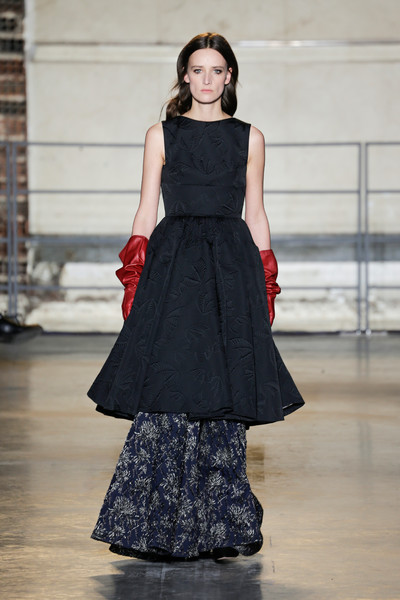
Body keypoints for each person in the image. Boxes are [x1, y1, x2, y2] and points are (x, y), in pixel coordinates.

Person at [88, 32, 304, 562]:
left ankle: (222, 525)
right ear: (185, 76)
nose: (207, 79)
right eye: (198, 69)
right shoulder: (160, 135)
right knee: (168, 382)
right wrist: (134, 276)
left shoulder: (249, 137)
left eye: (217, 70)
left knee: (223, 388)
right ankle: (152, 527)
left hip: (231, 267)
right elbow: (146, 208)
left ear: (230, 77)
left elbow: (256, 211)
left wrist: (266, 280)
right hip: (174, 265)